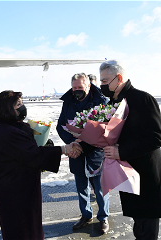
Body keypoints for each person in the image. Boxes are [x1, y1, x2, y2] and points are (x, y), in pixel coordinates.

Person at [99, 60, 161, 239]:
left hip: (146, 174)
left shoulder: (143, 99)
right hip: (129, 172)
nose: (101, 85)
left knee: (146, 227)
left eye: (104, 81)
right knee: (139, 223)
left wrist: (121, 151)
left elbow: (155, 138)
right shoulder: (114, 102)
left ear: (119, 78)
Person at [0, 90, 78, 240]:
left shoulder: (9, 126)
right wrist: (63, 150)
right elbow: (33, 155)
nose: (22, 107)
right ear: (7, 108)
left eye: (22, 103)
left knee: (29, 228)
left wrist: (44, 145)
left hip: (20, 188)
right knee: (22, 232)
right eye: (18, 104)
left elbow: (28, 151)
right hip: (15, 193)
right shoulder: (7, 131)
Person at [56, 73, 110, 234]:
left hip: (95, 152)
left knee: (100, 189)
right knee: (81, 188)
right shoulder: (68, 102)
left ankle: (103, 217)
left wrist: (83, 143)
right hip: (75, 152)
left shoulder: (101, 101)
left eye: (80, 87)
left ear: (88, 86)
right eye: (74, 88)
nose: (77, 90)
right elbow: (61, 125)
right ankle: (86, 215)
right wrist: (71, 143)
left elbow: (105, 128)